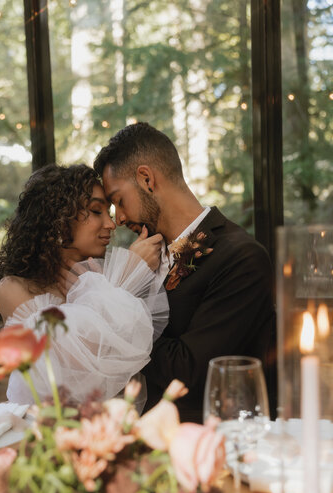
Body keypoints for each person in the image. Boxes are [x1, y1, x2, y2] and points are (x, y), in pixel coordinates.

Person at [93, 122, 275, 423]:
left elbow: (186, 371)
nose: (120, 219)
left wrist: (120, 314)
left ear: (147, 179)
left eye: (118, 201)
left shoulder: (242, 258)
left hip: (207, 440)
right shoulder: (145, 255)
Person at [0, 163, 168, 406]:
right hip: (47, 429)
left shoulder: (104, 276)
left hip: (109, 426)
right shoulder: (14, 288)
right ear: (59, 219)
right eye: (96, 211)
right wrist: (127, 276)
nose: (111, 224)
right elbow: (72, 367)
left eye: (109, 213)